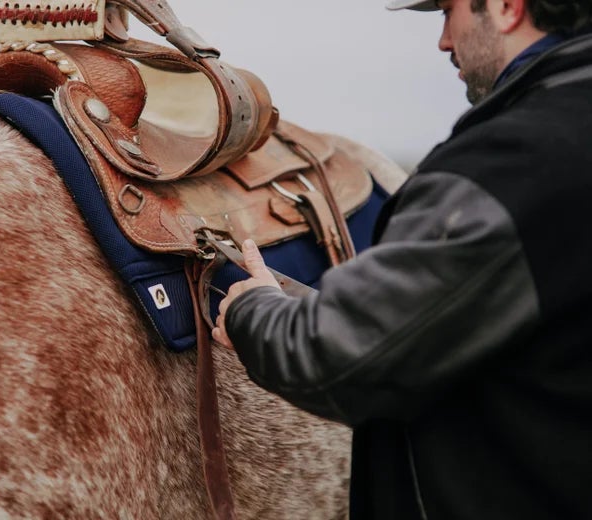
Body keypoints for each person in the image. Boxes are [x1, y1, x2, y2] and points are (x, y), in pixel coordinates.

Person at [211, 0, 592, 518]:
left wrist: (250, 310)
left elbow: (341, 360)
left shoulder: (513, 163)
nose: (443, 41)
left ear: (507, 7)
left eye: (449, 12)